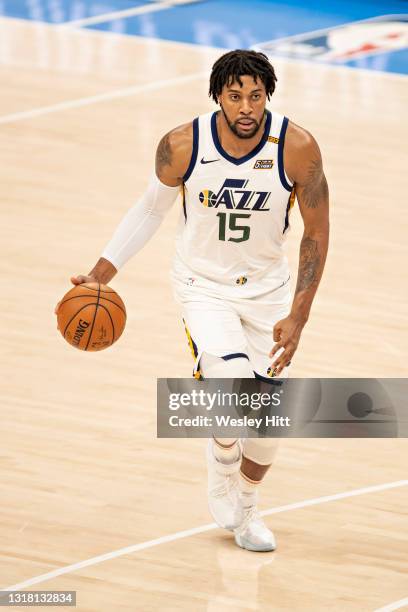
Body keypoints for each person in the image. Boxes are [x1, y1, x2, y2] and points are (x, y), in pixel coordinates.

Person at [56, 50, 329, 552]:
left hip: (269, 292)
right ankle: (222, 460)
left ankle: (246, 508)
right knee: (228, 386)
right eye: (235, 96)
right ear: (217, 97)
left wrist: (299, 315)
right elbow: (149, 211)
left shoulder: (297, 147)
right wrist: (100, 274)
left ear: (268, 96)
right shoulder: (182, 145)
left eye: (256, 95)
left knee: (267, 427)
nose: (246, 106)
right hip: (203, 284)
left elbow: (316, 232)